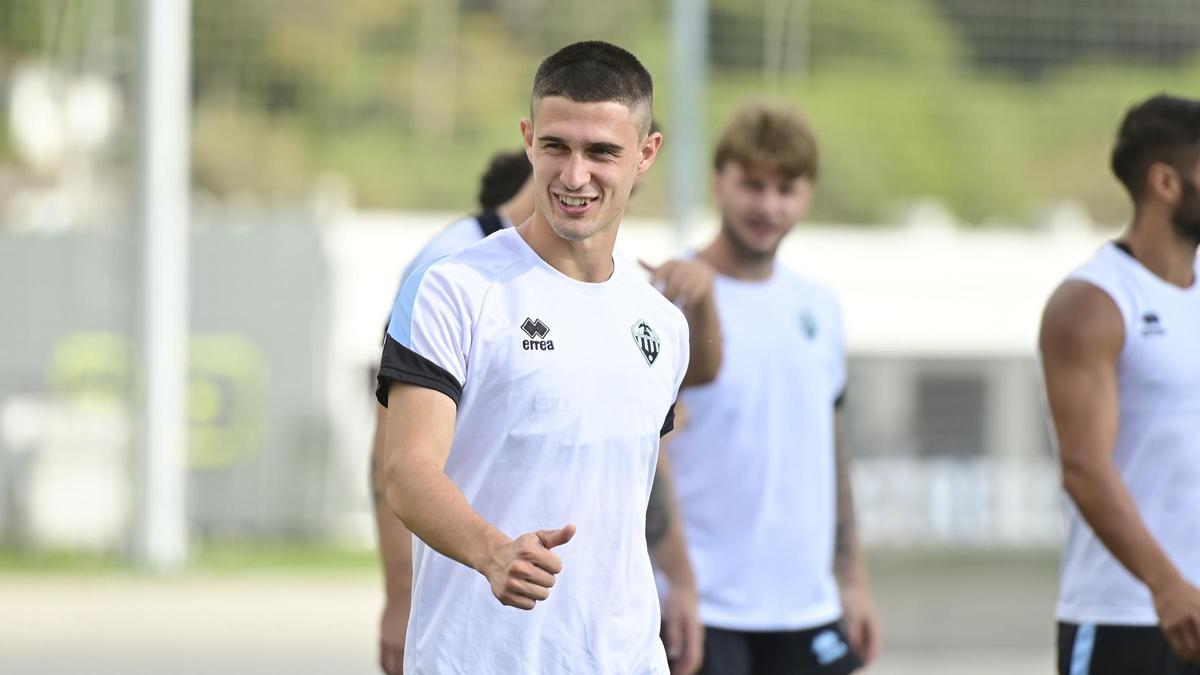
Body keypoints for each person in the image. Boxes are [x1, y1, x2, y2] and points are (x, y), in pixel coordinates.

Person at [377, 40, 690, 674]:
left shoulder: (662, 322)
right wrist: (492, 552)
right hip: (477, 658)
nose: (576, 176)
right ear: (528, 139)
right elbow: (406, 471)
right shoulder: (454, 287)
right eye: (557, 147)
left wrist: (682, 578)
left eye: (602, 152)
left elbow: (631, 488)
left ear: (646, 154)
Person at [662, 103, 880, 675]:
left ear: (807, 195)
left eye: (786, 188)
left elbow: (831, 446)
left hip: (807, 607)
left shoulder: (819, 306)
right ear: (718, 184)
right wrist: (677, 581)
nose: (768, 205)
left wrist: (852, 581)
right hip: (702, 607)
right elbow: (644, 455)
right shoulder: (668, 297)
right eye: (752, 185)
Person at [1040, 94, 1200, 675]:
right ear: (1166, 182)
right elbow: (1084, 467)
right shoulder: (1093, 303)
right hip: (1128, 617)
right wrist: (1168, 586)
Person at [371, 148, 533, 675]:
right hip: (460, 614)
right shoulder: (450, 267)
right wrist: (400, 598)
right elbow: (391, 453)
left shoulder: (598, 284)